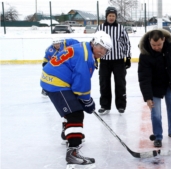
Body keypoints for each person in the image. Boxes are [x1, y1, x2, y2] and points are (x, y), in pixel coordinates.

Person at [40, 31, 112, 169]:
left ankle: (68, 133)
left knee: (73, 110)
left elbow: (78, 80)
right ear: (94, 43)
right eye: (101, 48)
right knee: (75, 114)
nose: (103, 52)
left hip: (55, 80)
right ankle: (72, 153)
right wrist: (87, 101)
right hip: (56, 83)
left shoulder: (84, 48)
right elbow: (81, 84)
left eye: (105, 50)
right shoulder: (85, 56)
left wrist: (83, 99)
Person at [138, 29, 171, 148]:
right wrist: (148, 97)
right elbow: (144, 78)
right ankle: (158, 137)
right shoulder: (145, 54)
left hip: (169, 82)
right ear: (149, 41)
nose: (156, 47)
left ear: (164, 40)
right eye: (153, 45)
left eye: (159, 44)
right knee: (155, 112)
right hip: (154, 86)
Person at [96, 6, 131, 115]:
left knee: (120, 84)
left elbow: (127, 43)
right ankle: (104, 105)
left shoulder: (121, 28)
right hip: (104, 61)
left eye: (113, 16)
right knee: (104, 84)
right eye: (110, 16)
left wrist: (128, 57)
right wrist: (94, 57)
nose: (111, 18)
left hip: (118, 61)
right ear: (106, 16)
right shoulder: (100, 28)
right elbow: (95, 43)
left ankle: (121, 105)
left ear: (116, 17)